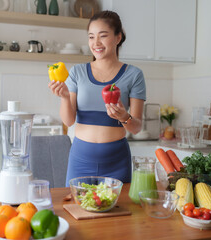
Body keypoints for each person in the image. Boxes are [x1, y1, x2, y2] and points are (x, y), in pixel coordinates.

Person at [48, 10, 146, 187]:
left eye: (103, 36)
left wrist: (124, 117)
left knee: (117, 214)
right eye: (91, 37)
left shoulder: (134, 75)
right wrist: (64, 97)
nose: (96, 43)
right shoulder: (77, 72)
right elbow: (69, 121)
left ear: (118, 37)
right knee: (78, 211)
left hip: (117, 161)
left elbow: (137, 127)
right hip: (80, 161)